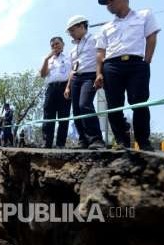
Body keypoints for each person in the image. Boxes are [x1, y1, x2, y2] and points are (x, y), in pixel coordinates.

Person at [95, 0, 160, 151]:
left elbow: (151, 37)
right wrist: (99, 73)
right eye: (105, 3)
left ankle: (143, 141)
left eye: (110, 0)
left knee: (139, 101)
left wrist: (146, 62)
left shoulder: (144, 15)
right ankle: (122, 141)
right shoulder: (105, 27)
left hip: (137, 63)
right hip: (111, 66)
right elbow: (100, 53)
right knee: (114, 105)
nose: (108, 4)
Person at [64, 15, 106, 150]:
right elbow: (72, 68)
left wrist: (100, 74)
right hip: (76, 78)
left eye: (72, 30)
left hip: (90, 76)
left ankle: (96, 139)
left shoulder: (95, 39)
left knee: (85, 105)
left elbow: (101, 56)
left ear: (81, 26)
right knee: (76, 110)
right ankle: (83, 140)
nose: (70, 34)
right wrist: (68, 86)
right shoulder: (73, 48)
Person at [40, 37, 72, 148]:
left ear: (63, 44)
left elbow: (72, 73)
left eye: (57, 44)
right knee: (48, 115)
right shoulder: (48, 59)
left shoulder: (69, 57)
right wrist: (46, 59)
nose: (55, 46)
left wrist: (68, 87)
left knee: (64, 116)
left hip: (64, 87)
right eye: (52, 45)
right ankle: (46, 142)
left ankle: (60, 143)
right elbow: (43, 74)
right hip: (51, 88)